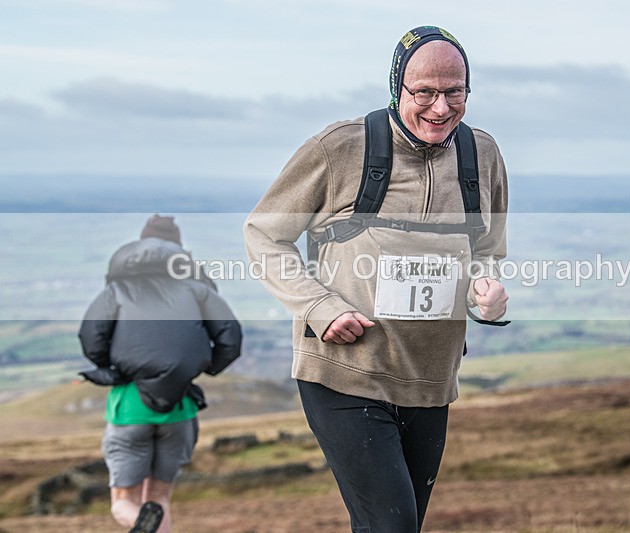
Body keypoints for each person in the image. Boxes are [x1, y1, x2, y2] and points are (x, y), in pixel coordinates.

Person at [244, 26, 508, 532]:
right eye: (424, 93)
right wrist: (320, 308)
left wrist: (486, 296)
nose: (440, 107)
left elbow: (487, 251)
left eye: (455, 93)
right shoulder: (340, 148)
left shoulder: (483, 155)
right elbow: (263, 235)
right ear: (397, 88)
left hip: (431, 379)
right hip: (345, 373)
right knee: (392, 527)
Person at [79, 214, 242, 533]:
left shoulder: (118, 289)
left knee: (124, 501)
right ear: (179, 248)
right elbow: (230, 338)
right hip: (181, 406)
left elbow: (91, 336)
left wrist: (113, 367)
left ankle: (140, 524)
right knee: (159, 498)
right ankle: (150, 523)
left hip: (130, 406)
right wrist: (206, 367)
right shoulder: (197, 288)